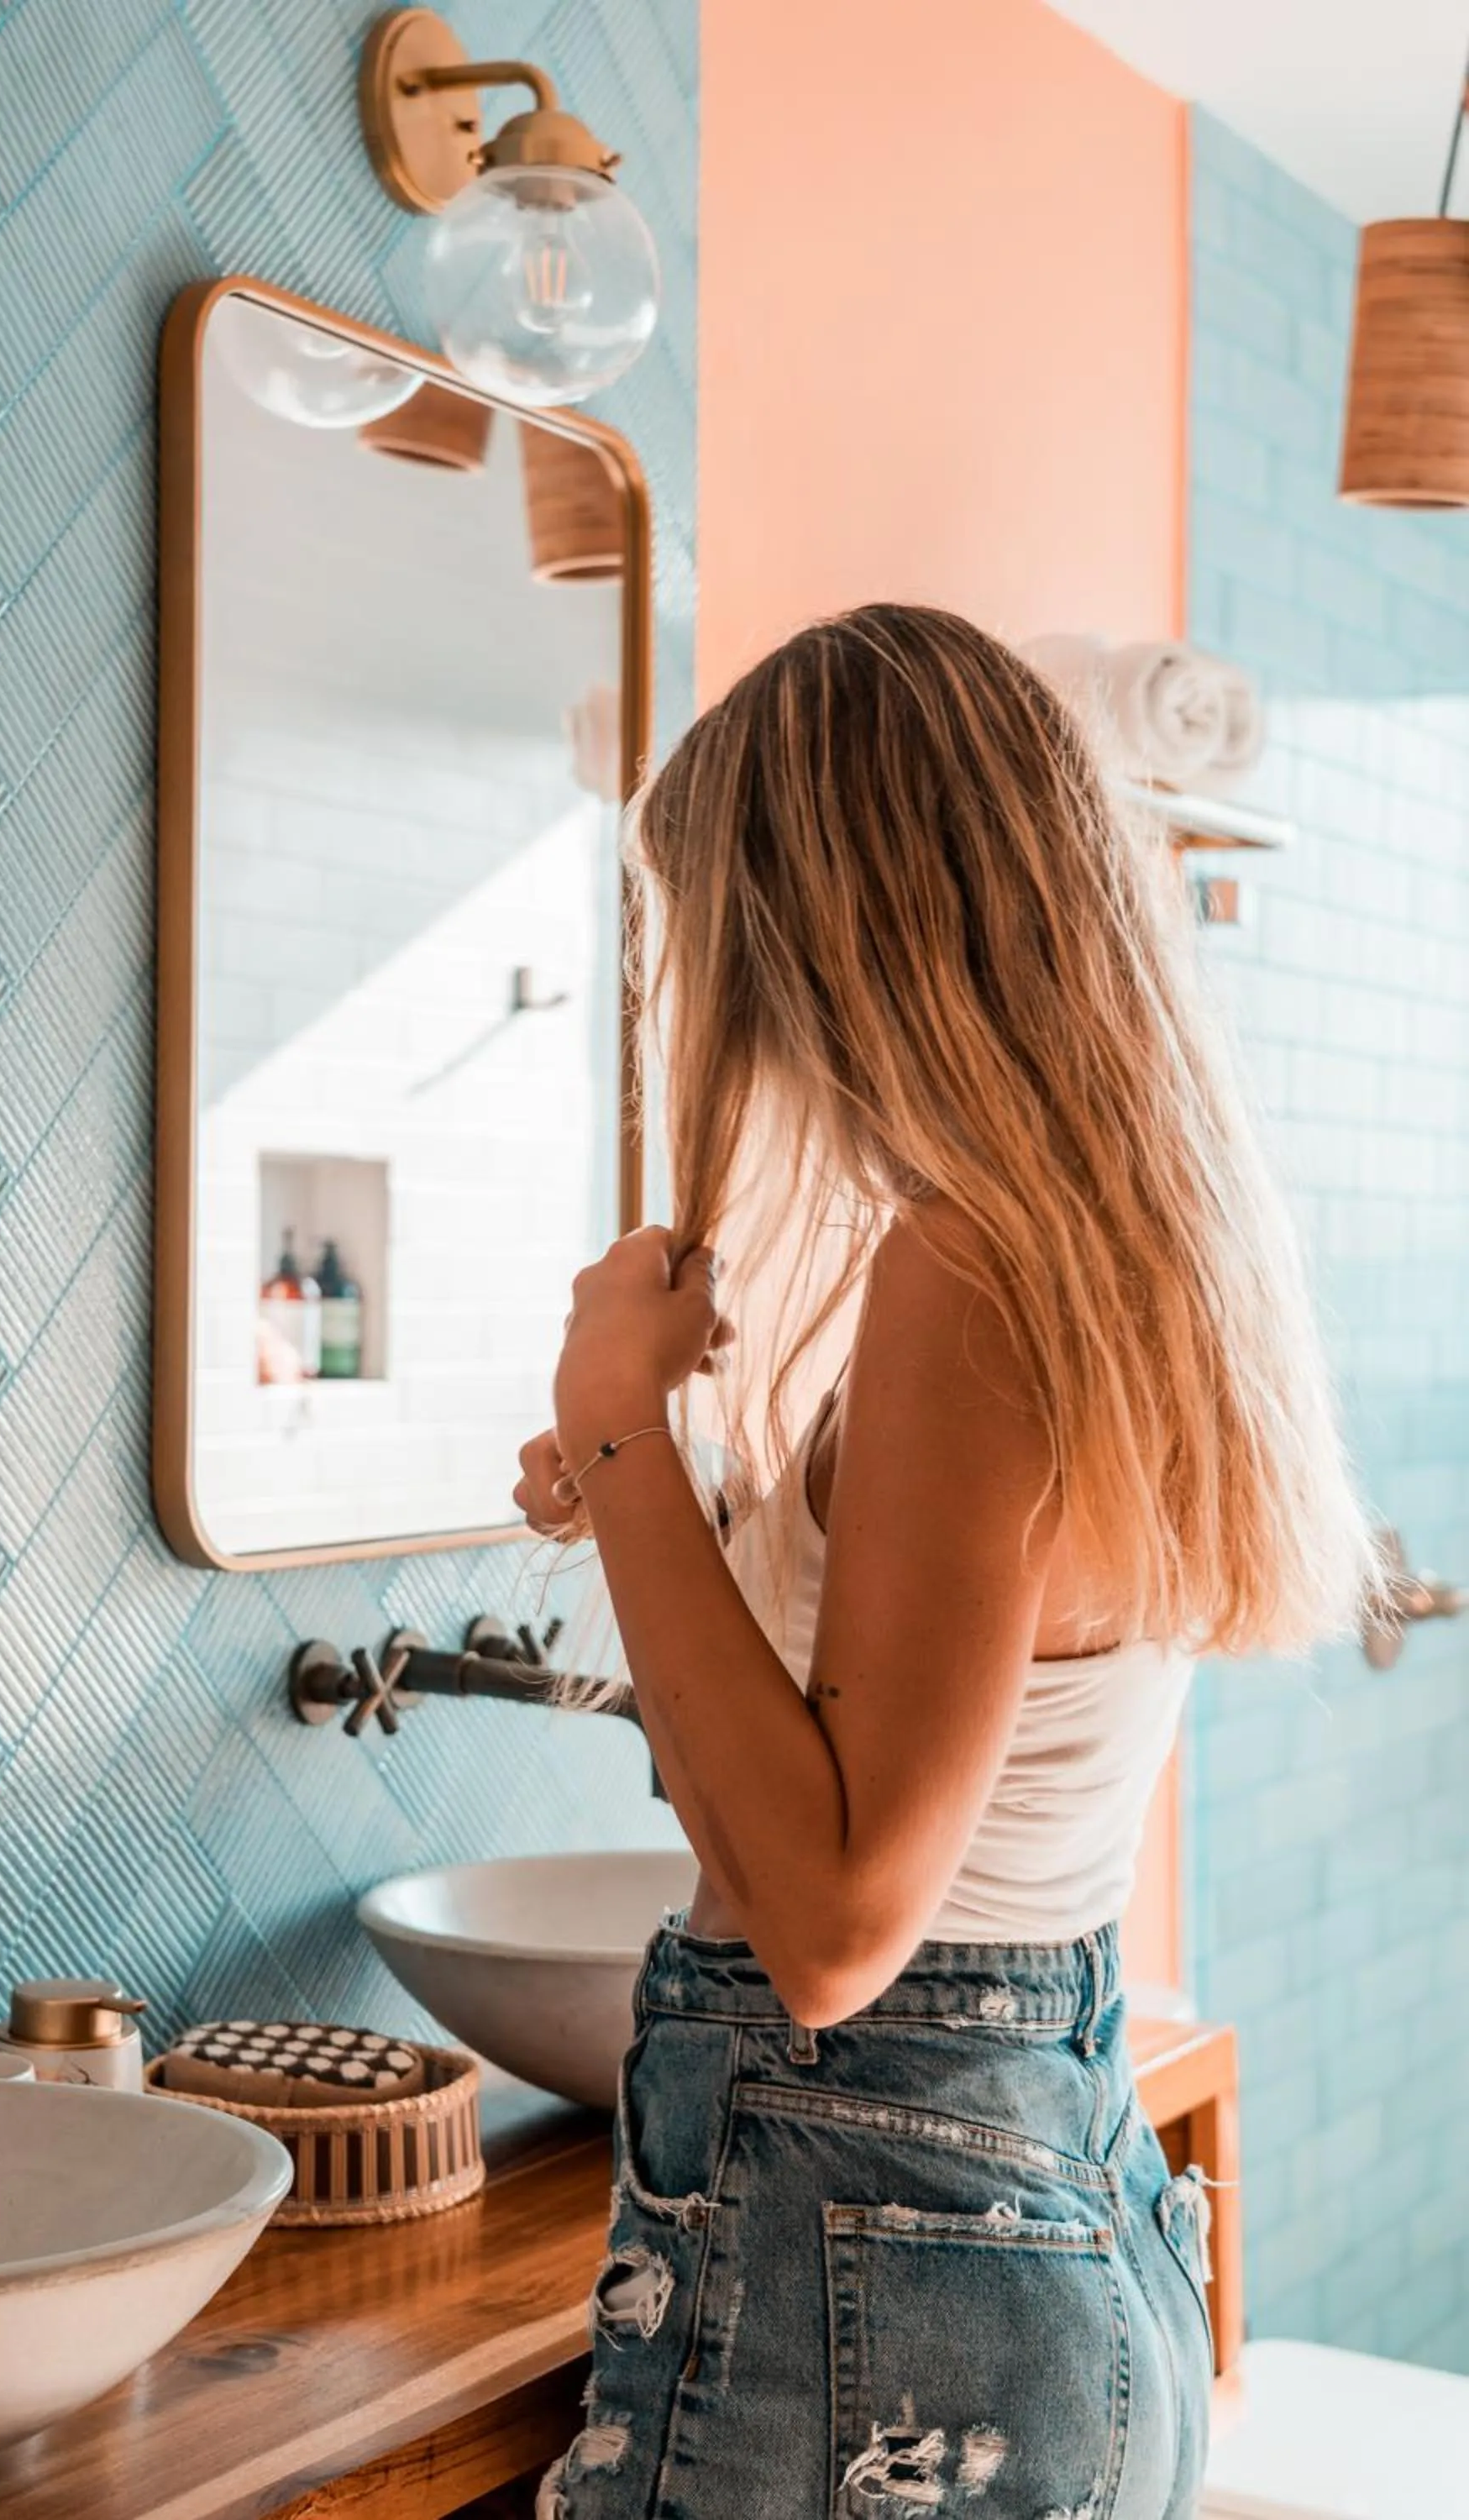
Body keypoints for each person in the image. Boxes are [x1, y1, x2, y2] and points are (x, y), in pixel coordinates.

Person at [515, 604, 1371, 2520]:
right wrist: (644, 1490)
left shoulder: (967, 1276)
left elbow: (827, 1932)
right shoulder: (1092, 1259)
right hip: (1006, 2201)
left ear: (821, 939)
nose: (690, 998)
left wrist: (624, 1430)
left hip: (878, 2240)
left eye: (698, 944)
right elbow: (792, 1815)